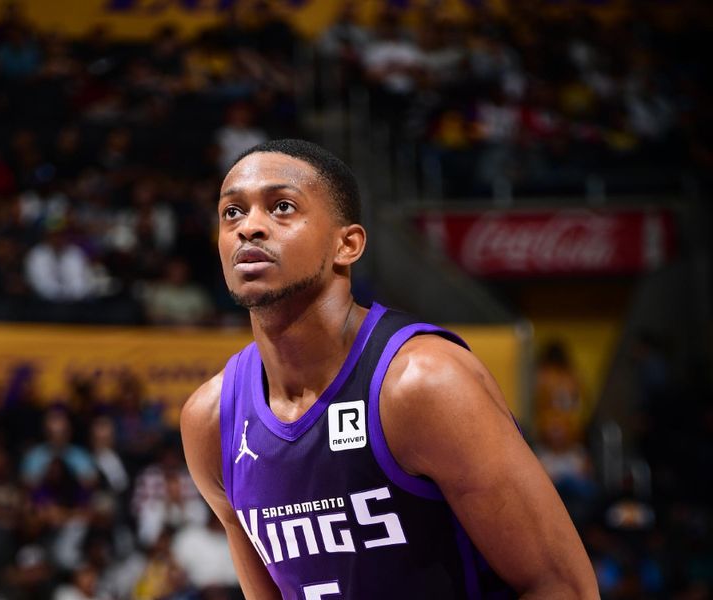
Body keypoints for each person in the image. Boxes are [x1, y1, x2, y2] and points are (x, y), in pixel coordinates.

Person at [180, 139, 597, 599]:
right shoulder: (211, 420)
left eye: (281, 207)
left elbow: (563, 587)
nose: (249, 228)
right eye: (232, 213)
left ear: (347, 245)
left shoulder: (423, 383)